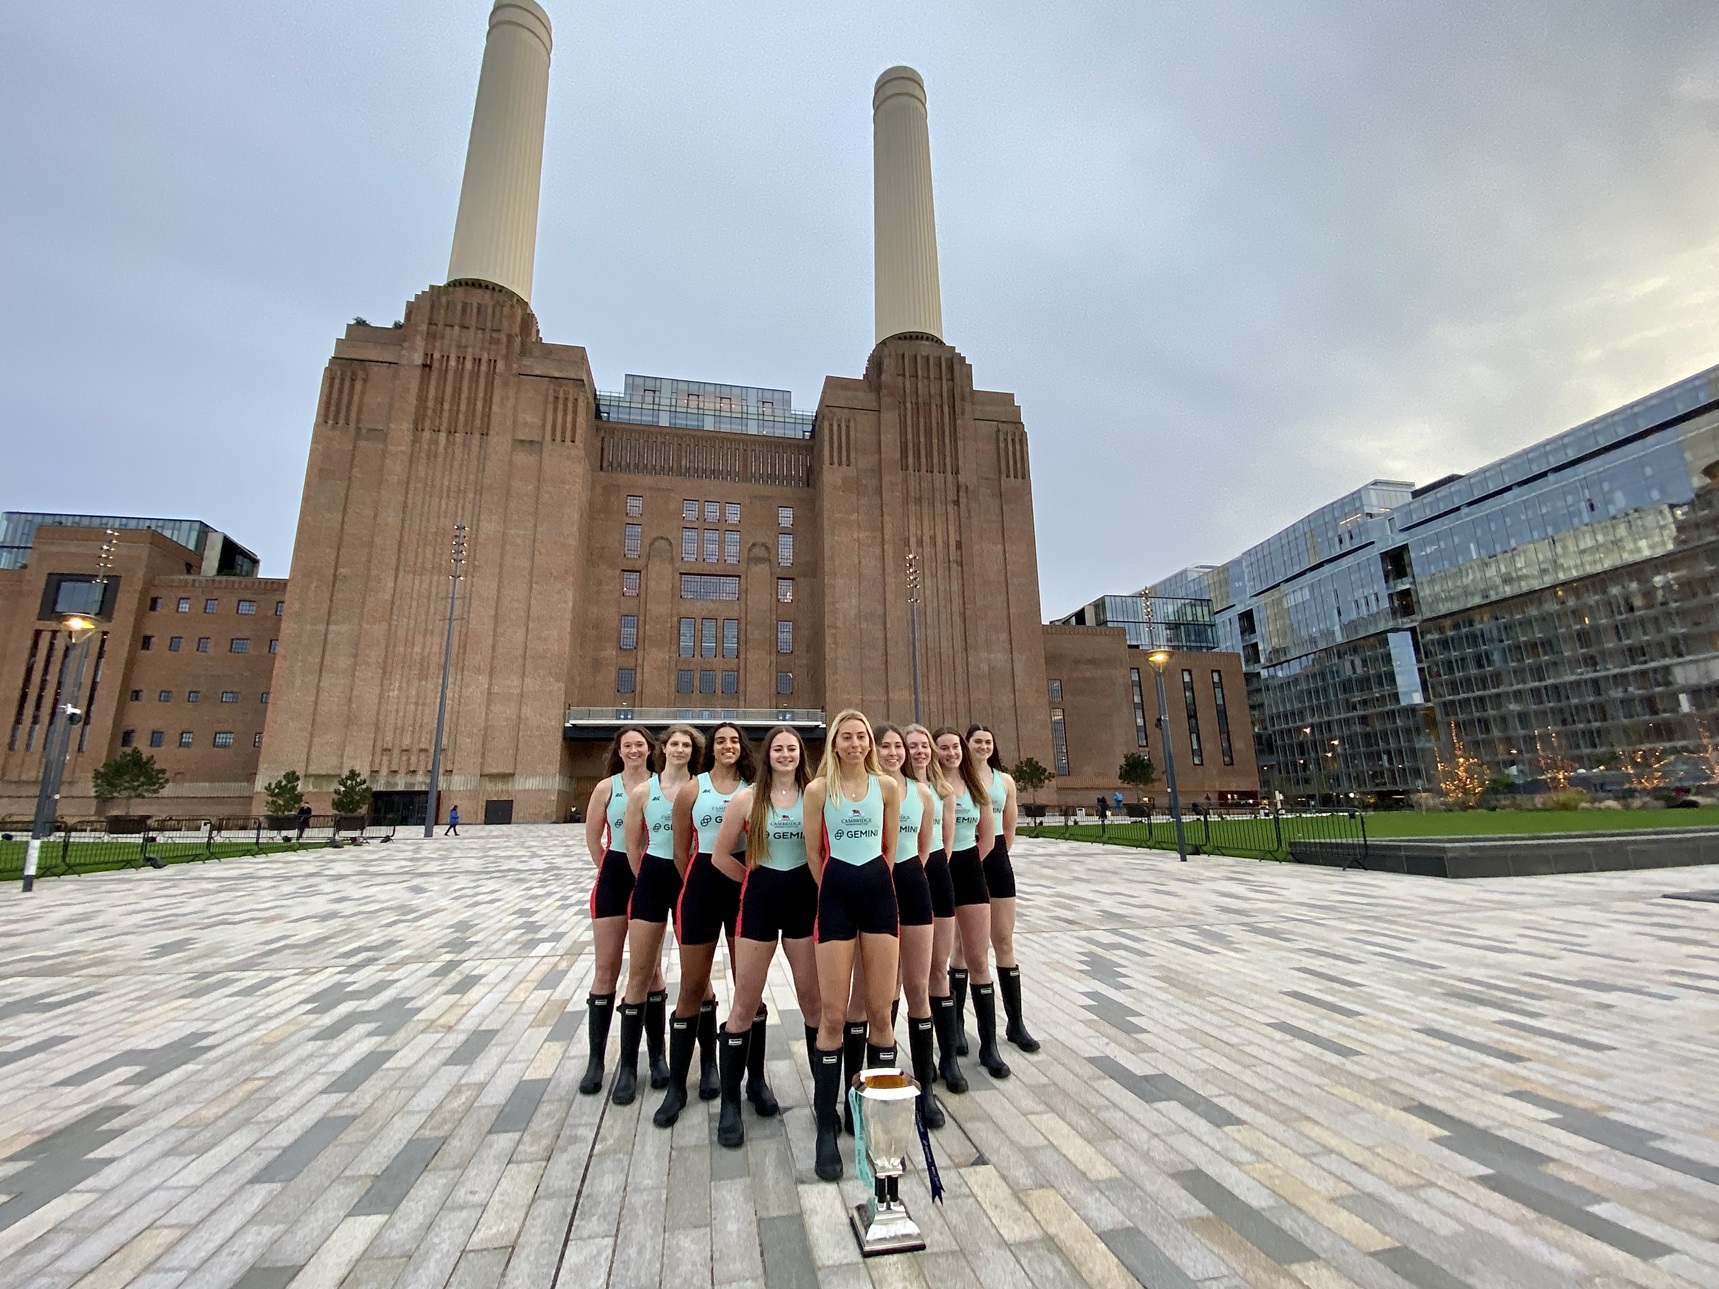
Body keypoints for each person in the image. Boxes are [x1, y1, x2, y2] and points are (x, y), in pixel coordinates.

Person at [707, 726, 821, 1148]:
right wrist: (752, 885)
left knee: (813, 1004)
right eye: (778, 749)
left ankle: (825, 1101)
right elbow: (719, 856)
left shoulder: (815, 795)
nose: (785, 755)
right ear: (767, 755)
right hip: (759, 905)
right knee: (744, 1005)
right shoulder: (747, 798)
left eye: (792, 748)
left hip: (803, 905)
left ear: (800, 754)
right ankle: (731, 1105)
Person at [804, 710, 901, 1181]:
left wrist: (872, 885)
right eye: (847, 737)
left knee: (880, 1014)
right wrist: (835, 889)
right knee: (833, 1015)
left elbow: (889, 849)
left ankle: (880, 1127)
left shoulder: (888, 788)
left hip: (879, 896)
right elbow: (813, 853)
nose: (856, 743)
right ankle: (827, 1127)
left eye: (862, 736)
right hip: (836, 898)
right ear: (835, 744)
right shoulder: (818, 790)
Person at [654, 723, 755, 1128]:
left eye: (734, 740)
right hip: (701, 886)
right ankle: (678, 1087)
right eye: (721, 741)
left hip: (744, 888)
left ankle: (754, 1081)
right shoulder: (693, 790)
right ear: (710, 748)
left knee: (747, 986)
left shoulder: (754, 788)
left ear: (742, 747)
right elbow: (680, 851)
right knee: (692, 987)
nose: (728, 746)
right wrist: (696, 886)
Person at [614, 724, 703, 1104]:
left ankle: (708, 1065)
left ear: (693, 752)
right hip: (652, 877)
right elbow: (632, 845)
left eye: (687, 745)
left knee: (698, 978)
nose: (680, 749)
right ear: (662, 749)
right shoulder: (643, 792)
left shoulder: (700, 789)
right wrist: (645, 879)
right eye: (674, 743)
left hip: (688, 880)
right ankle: (631, 1067)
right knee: (639, 974)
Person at [578, 726, 666, 1096]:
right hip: (614, 876)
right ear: (619, 750)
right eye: (627, 745)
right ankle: (596, 1061)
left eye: (639, 744)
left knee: (651, 971)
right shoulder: (606, 788)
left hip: (651, 876)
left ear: (649, 749)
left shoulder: (662, 785)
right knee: (606, 970)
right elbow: (593, 838)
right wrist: (611, 868)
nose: (633, 750)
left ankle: (657, 1057)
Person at [877, 722, 943, 1129]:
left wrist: (908, 875)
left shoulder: (922, 793)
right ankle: (882, 1078)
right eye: (885, 746)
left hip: (913, 884)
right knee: (884, 989)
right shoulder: (868, 790)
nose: (893, 753)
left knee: (918, 987)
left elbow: (922, 848)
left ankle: (926, 1089)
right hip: (877, 889)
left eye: (897, 746)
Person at [934, 726, 1008, 1079]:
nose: (951, 753)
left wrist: (968, 864)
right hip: (937, 870)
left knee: (979, 959)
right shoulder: (929, 787)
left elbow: (989, 838)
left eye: (955, 747)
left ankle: (989, 1046)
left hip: (969, 868)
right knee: (939, 963)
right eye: (944, 748)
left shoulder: (976, 787)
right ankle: (949, 1044)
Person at [969, 724, 1038, 1054]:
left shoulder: (1005, 781)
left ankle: (1016, 1023)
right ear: (967, 745)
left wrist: (995, 854)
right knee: (964, 946)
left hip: (996, 858)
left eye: (987, 742)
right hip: (966, 854)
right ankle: (957, 1028)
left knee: (1003, 939)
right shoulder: (958, 779)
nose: (983, 746)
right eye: (977, 741)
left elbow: (1008, 828)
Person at [906, 722, 963, 1094]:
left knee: (938, 970)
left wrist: (932, 869)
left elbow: (947, 841)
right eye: (912, 746)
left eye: (924, 745)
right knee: (904, 976)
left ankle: (949, 1059)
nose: (919, 751)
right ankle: (913, 1061)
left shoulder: (944, 792)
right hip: (906, 875)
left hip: (937, 874)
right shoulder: (894, 789)